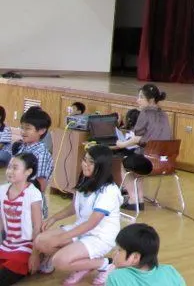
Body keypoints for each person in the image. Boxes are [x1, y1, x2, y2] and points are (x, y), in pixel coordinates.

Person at [34, 145, 122, 285]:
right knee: (40, 241)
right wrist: (53, 218)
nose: (85, 164)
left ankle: (104, 264)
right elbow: (73, 207)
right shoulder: (85, 180)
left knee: (59, 260)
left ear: (102, 165)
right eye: (84, 160)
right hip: (81, 228)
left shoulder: (109, 191)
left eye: (91, 162)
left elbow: (91, 224)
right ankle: (82, 262)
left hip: (99, 236)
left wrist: (62, 238)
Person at [114, 84, 171, 211]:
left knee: (124, 163)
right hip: (165, 163)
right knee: (137, 162)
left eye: (141, 97)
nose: (137, 100)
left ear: (150, 100)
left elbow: (137, 138)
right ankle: (139, 199)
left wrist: (122, 144)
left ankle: (134, 200)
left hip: (149, 162)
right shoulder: (164, 115)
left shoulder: (145, 113)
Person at [0, 153, 43, 284]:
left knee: (5, 276)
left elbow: (37, 227)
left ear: (28, 172)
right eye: (9, 167)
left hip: (26, 246)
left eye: (15, 168)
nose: (9, 171)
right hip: (7, 243)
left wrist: (35, 255)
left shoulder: (33, 193)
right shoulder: (2, 190)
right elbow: (1, 221)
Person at [106, 224, 185, 286]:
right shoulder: (170, 271)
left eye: (119, 250)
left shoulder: (116, 278)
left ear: (135, 257)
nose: (114, 253)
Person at [11, 107, 53, 218]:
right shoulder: (22, 147)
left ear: (41, 131)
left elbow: (41, 185)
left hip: (30, 204)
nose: (23, 132)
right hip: (16, 198)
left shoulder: (41, 153)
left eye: (28, 128)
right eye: (22, 128)